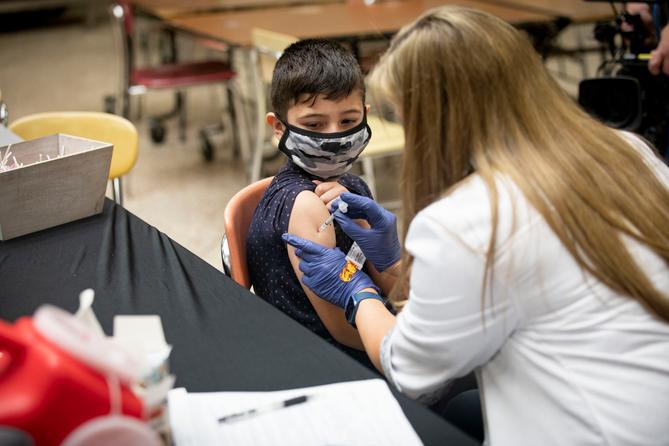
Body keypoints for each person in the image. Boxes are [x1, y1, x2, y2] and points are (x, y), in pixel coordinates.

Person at [284, 6, 669, 445]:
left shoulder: (467, 221)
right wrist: (396, 263)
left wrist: (356, 290)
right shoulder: (628, 150)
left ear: (440, 121)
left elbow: (411, 374)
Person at [246, 39, 392, 368]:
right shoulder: (307, 207)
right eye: (314, 125)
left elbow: (393, 286)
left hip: (376, 335)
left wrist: (392, 258)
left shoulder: (352, 187)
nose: (334, 136)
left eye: (348, 121)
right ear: (278, 127)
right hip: (337, 364)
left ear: (365, 116)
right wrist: (409, 341)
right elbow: (343, 331)